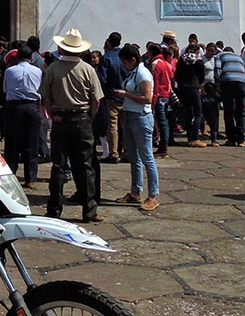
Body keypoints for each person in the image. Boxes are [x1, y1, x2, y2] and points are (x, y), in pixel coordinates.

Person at [40, 28, 104, 224]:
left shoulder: (52, 69)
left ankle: (54, 209)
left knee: (58, 166)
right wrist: (88, 116)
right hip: (82, 118)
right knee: (85, 166)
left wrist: (53, 115)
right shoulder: (88, 69)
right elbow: (96, 100)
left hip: (60, 119)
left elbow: (45, 97)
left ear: (62, 48)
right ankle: (89, 210)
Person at [114, 44, 159, 211]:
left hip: (141, 117)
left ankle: (153, 195)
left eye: (124, 62)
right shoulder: (133, 72)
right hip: (130, 115)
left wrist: (126, 94)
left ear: (132, 60)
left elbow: (147, 98)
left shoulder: (142, 73)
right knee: (134, 157)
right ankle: (135, 191)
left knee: (147, 157)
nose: (123, 65)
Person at [2, 43, 43, 187]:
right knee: (32, 142)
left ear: (17, 57)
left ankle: (10, 174)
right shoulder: (38, 71)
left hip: (14, 106)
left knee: (12, 142)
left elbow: (5, 89)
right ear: (31, 58)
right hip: (32, 107)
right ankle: (30, 178)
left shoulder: (9, 71)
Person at [98, 32, 127, 163]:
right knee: (126, 125)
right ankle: (127, 151)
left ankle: (114, 153)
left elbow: (102, 79)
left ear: (109, 42)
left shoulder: (106, 58)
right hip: (126, 94)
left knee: (112, 125)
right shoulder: (124, 56)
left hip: (111, 95)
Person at [215, 45, 245, 146]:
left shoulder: (220, 55)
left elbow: (217, 69)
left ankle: (231, 139)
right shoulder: (239, 57)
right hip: (242, 83)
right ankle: (241, 139)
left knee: (228, 111)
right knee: (241, 111)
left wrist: (218, 83)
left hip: (228, 82)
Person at [175, 42, 206, 146]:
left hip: (183, 88)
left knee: (188, 112)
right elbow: (202, 76)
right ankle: (195, 138)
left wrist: (181, 84)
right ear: (197, 51)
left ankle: (189, 137)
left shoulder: (181, 59)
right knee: (198, 113)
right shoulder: (198, 61)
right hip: (194, 86)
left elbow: (177, 74)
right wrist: (198, 83)